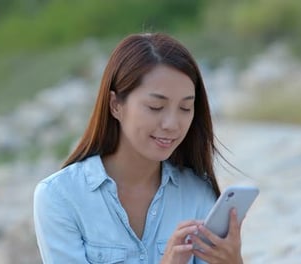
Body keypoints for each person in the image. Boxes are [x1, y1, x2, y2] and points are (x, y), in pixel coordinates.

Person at [33, 32, 244, 264]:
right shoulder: (60, 197)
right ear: (115, 105)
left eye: (185, 108)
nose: (172, 125)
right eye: (156, 107)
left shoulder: (197, 193)